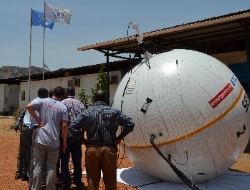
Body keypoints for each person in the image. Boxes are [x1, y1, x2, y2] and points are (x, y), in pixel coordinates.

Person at [70, 89, 135, 190]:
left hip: (91, 149)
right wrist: (119, 138)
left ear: (94, 99)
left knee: (92, 179)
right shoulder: (115, 112)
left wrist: (83, 140)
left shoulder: (87, 112)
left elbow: (73, 127)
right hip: (109, 149)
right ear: (106, 99)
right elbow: (130, 123)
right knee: (110, 180)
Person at [26, 86, 68, 190]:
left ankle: (35, 188)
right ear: (62, 96)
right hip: (54, 142)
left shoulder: (43, 102)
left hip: (40, 139)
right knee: (51, 168)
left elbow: (28, 107)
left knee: (38, 166)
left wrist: (37, 120)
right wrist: (64, 141)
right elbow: (64, 125)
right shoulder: (62, 107)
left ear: (53, 92)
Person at [60, 86, 85, 190]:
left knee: (64, 161)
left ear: (66, 92)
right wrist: (82, 135)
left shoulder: (62, 103)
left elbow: (60, 121)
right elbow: (84, 121)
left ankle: (66, 184)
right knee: (77, 161)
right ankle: (78, 182)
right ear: (74, 93)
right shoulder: (80, 104)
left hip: (65, 136)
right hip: (77, 137)